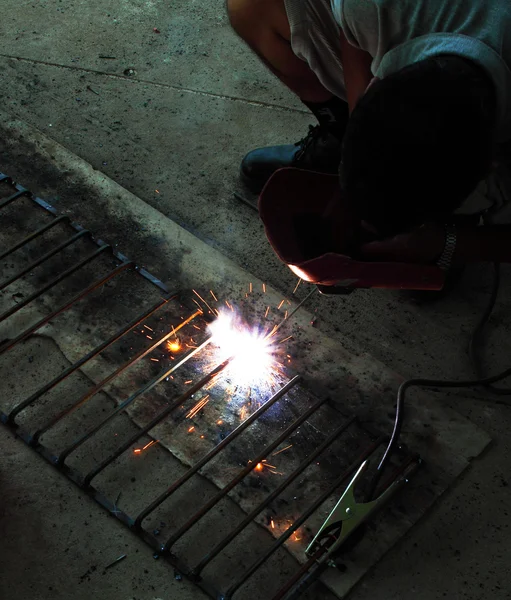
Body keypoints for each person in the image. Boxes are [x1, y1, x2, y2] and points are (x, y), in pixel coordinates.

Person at [227, 0, 511, 271]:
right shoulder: (373, 6)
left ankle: (453, 221)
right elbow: (351, 38)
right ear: (375, 85)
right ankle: (338, 141)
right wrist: (351, 157)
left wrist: (444, 243)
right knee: (252, 9)